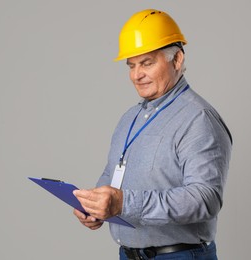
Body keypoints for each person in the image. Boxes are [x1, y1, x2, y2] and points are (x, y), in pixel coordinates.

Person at [73, 9, 232, 260]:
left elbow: (205, 199)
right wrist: (95, 205)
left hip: (178, 256)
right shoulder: (129, 119)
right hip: (128, 255)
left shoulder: (198, 118)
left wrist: (123, 203)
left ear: (177, 59)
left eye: (147, 63)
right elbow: (114, 174)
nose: (137, 75)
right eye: (132, 65)